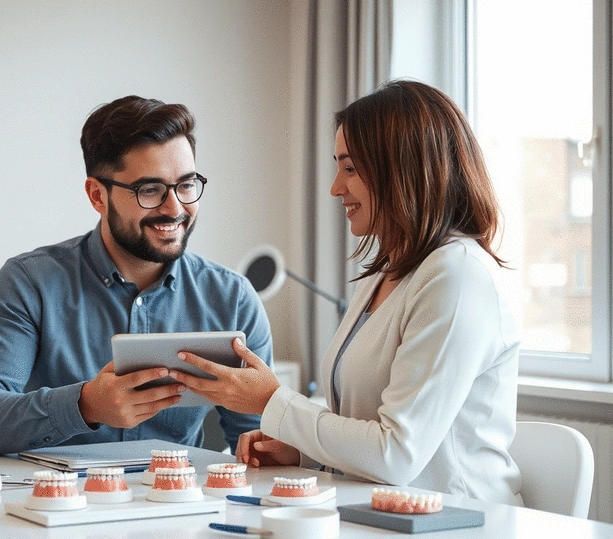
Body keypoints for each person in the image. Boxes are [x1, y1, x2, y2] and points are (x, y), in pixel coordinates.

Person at [173, 79, 523, 506]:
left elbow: (395, 454)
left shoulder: (457, 278)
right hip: (385, 518)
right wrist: (303, 451)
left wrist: (272, 400)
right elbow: (366, 434)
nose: (335, 187)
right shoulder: (390, 273)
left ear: (403, 169)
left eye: (350, 168)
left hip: (459, 527)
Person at [0, 96, 272, 456]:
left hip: (177, 505)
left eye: (187, 184)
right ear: (97, 195)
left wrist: (282, 438)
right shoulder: (30, 283)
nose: (175, 207)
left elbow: (256, 440)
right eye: (150, 190)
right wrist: (83, 406)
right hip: (54, 504)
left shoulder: (231, 298)